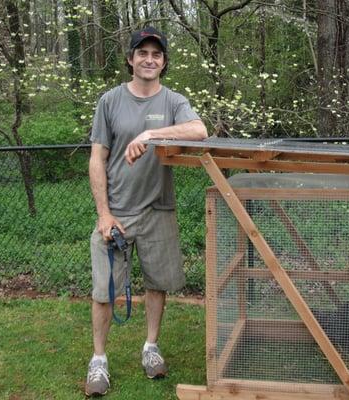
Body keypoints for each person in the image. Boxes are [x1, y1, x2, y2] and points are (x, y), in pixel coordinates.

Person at [85, 26, 208, 396]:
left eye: (156, 54)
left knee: (157, 285)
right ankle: (99, 361)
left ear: (164, 62)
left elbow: (200, 130)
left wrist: (150, 135)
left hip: (159, 211)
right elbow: (97, 159)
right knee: (104, 290)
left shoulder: (173, 101)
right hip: (117, 212)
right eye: (142, 53)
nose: (149, 59)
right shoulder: (110, 101)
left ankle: (151, 348)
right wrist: (104, 214)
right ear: (130, 59)